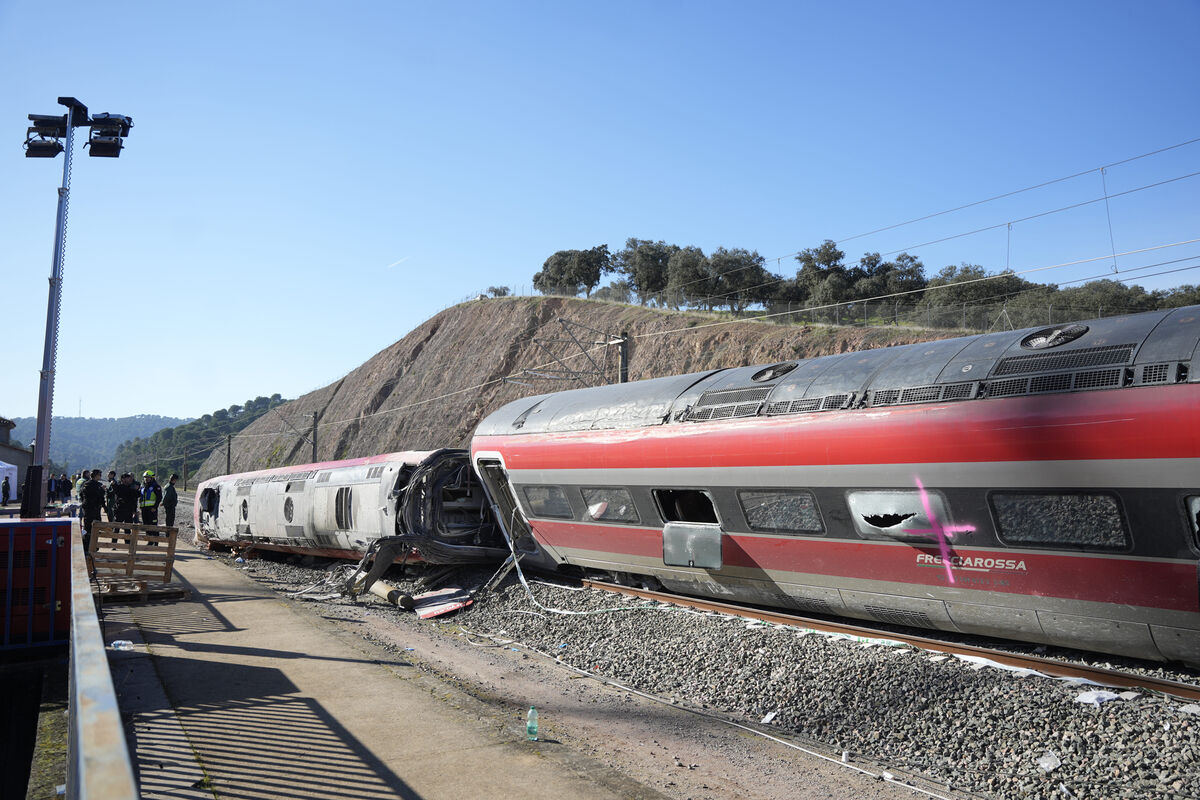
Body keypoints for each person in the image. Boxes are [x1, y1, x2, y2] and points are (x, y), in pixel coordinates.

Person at [80, 470, 106, 554]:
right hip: (92, 509)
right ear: (96, 475)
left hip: (91, 508)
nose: (100, 476)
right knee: (91, 528)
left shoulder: (87, 484)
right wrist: (102, 490)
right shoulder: (92, 485)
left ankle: (91, 545)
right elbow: (97, 495)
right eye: (99, 475)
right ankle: (89, 546)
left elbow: (81, 495)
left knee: (92, 527)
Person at [140, 470, 163, 536]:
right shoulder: (143, 487)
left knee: (153, 525)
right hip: (144, 509)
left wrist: (155, 507)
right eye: (145, 477)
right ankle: (149, 540)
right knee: (146, 526)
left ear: (152, 478)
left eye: (148, 477)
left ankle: (155, 540)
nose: (146, 479)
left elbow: (159, 497)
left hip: (152, 509)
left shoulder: (156, 486)